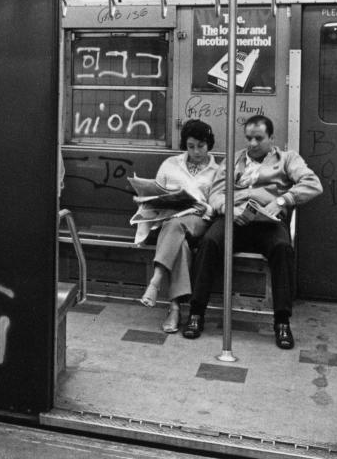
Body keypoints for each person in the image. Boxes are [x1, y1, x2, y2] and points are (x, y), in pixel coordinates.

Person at [182, 115, 323, 349]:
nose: (253, 144)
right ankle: (196, 313)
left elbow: (312, 184)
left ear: (271, 138)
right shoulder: (233, 159)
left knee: (282, 248)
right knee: (209, 243)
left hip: (267, 222)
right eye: (249, 138)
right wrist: (229, 209)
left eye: (259, 138)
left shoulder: (287, 159)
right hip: (234, 219)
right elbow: (216, 193)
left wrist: (282, 201)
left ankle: (282, 322)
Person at [133, 119, 219, 333]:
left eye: (201, 146)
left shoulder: (217, 170)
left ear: (209, 144)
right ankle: (174, 308)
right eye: (191, 146)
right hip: (169, 220)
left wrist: (204, 208)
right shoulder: (170, 164)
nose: (196, 151)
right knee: (179, 243)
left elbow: (217, 203)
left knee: (175, 227)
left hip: (199, 221)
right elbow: (157, 191)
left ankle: (156, 281)